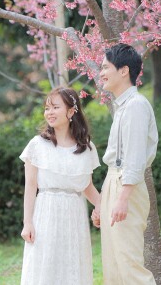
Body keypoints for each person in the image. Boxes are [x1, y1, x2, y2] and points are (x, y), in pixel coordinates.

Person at [19, 86, 101, 285]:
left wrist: (101, 206)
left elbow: (86, 185)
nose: (50, 112)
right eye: (47, 108)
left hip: (74, 213)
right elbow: (30, 186)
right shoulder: (37, 145)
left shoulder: (86, 148)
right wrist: (27, 222)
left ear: (71, 111)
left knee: (72, 267)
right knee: (45, 268)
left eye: (55, 107)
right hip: (46, 212)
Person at [93, 43, 159, 285]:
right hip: (115, 180)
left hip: (126, 185)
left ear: (123, 71)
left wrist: (122, 197)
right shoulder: (121, 107)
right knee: (114, 266)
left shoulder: (136, 106)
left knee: (129, 264)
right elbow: (117, 160)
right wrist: (103, 200)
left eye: (105, 67)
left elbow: (135, 157)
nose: (101, 73)